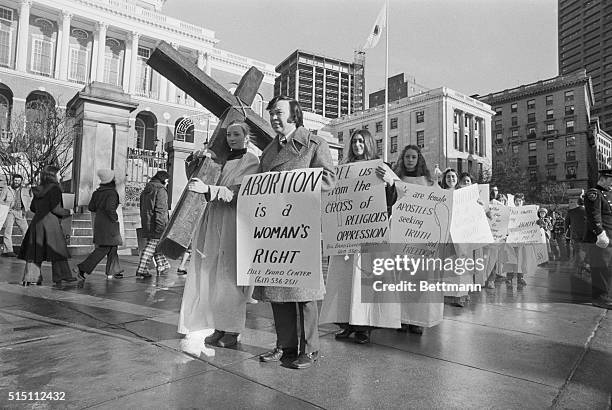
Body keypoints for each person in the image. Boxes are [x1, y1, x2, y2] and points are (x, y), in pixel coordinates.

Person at [255, 95, 335, 369]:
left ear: (294, 115)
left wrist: (294, 188)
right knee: (277, 290)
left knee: (304, 292)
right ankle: (285, 345)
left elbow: (328, 180)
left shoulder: (314, 144)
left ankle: (310, 349)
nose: (274, 117)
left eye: (279, 112)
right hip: (274, 229)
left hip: (302, 228)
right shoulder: (268, 152)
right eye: (271, 113)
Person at [178, 120, 259, 348]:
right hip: (213, 218)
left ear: (246, 136)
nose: (232, 138)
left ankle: (232, 329)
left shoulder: (250, 160)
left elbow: (240, 191)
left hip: (233, 221)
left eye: (236, 134)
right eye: (229, 135)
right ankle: (218, 326)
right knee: (212, 276)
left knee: (230, 276)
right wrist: (198, 161)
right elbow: (199, 180)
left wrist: (209, 190)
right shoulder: (221, 159)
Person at [320, 129, 400, 344]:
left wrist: (390, 182)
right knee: (343, 282)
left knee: (365, 281)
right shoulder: (342, 170)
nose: (357, 145)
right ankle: (345, 323)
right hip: (346, 235)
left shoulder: (381, 168)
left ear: (369, 144)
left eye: (361, 141)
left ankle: (364, 326)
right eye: (354, 141)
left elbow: (397, 198)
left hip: (369, 235)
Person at [390, 144, 443, 333]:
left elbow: (441, 205)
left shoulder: (429, 182)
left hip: (422, 238)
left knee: (420, 280)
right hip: (402, 237)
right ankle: (402, 318)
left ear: (418, 159)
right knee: (402, 279)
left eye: (413, 157)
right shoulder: (396, 180)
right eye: (407, 157)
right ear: (402, 160)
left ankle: (418, 321)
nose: (410, 160)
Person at [18, 165, 77, 286]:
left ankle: (30, 278)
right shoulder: (55, 189)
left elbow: (33, 208)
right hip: (51, 223)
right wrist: (69, 211)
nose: (60, 176)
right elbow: (56, 209)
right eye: (59, 174)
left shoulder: (39, 189)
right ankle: (62, 276)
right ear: (53, 175)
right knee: (57, 250)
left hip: (37, 223)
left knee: (35, 251)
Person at [73, 169, 123, 282]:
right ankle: (83, 268)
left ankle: (114, 270)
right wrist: (114, 218)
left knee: (112, 247)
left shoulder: (97, 192)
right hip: (109, 224)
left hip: (99, 222)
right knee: (104, 248)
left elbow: (91, 207)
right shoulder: (111, 193)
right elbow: (110, 209)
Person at [439, 168, 471, 307]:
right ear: (444, 179)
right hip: (447, 233)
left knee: (461, 264)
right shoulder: (441, 194)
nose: (451, 179)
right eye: (448, 177)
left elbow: (471, 210)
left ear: (457, 179)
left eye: (453, 177)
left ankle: (461, 294)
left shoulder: (463, 194)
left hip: (460, 232)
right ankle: (448, 295)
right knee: (448, 264)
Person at [583, 169, 612, 309]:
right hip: (600, 239)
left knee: (608, 267)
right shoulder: (593, 193)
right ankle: (600, 298)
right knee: (601, 267)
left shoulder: (608, 194)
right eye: (611, 180)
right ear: (603, 178)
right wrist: (600, 233)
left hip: (610, 237)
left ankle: (607, 294)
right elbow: (594, 215)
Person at [136, 170, 171, 278]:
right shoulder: (160, 190)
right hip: (157, 223)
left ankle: (162, 265)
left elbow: (142, 207)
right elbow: (161, 210)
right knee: (151, 246)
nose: (168, 183)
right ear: (164, 180)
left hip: (147, 221)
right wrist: (162, 226)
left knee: (155, 245)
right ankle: (142, 269)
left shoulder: (147, 189)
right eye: (168, 181)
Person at [1, 174, 32, 257]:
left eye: (18, 180)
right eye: (15, 180)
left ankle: (25, 250)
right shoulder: (7, 189)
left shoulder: (25, 190)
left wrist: (26, 209)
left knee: (26, 231)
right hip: (10, 212)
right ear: (12, 180)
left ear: (21, 181)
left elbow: (29, 200)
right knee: (8, 231)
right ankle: (8, 251)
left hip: (20, 212)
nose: (16, 182)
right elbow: (1, 200)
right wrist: (7, 207)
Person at [565, 197, 587, 273]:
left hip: (574, 234)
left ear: (577, 203)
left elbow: (566, 224)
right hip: (586, 234)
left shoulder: (571, 211)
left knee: (577, 250)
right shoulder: (589, 211)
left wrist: (566, 232)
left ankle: (578, 267)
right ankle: (581, 266)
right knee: (584, 250)